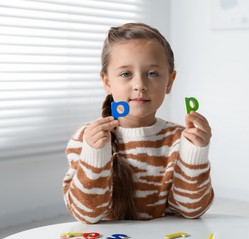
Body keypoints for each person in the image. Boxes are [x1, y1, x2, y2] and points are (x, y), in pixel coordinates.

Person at [63, 23, 214, 224]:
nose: (140, 86)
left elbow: (191, 210)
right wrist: (95, 153)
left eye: (152, 74)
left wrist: (195, 155)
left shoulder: (180, 139)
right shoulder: (86, 138)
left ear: (169, 82)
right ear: (107, 82)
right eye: (126, 74)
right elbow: (86, 215)